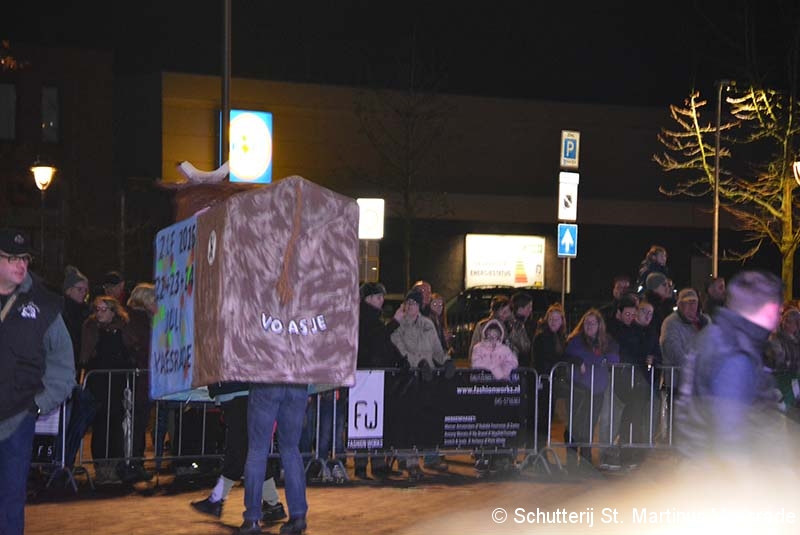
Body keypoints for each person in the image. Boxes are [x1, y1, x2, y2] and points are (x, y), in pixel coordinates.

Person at [0, 228, 76, 535]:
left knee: (10, 501)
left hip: (17, 419)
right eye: (12, 258)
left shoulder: (44, 305)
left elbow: (63, 366)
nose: (22, 265)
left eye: (25, 258)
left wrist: (36, 404)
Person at [675, 270, 784, 463]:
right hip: (719, 469)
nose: (780, 315)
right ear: (767, 309)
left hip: (701, 461)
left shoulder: (715, 335)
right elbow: (730, 432)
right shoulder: (735, 353)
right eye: (778, 309)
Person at [191, 384, 286, 524]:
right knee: (246, 451)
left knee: (239, 452)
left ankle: (217, 500)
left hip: (238, 392)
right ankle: (272, 503)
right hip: (240, 392)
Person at [240, 383, 309, 535]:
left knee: (257, 450)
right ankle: (298, 516)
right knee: (291, 449)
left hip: (267, 380)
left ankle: (252, 519)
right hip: (297, 381)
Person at [79, 295, 134, 483]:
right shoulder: (91, 328)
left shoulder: (122, 328)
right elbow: (86, 356)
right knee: (101, 425)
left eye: (104, 309)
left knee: (116, 424)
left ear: (113, 311)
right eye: (97, 309)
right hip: (98, 383)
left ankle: (116, 466)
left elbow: (130, 352)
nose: (100, 313)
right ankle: (102, 468)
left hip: (117, 383)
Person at [354, 282, 405, 479]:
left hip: (374, 374)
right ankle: (364, 464)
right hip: (365, 374)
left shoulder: (373, 317)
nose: (382, 300)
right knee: (364, 418)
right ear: (368, 299)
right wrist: (395, 322)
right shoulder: (364, 317)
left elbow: (384, 344)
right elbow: (378, 339)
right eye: (378, 297)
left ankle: (375, 463)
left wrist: (400, 360)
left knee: (373, 418)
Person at [562, 309, 620, 472]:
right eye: (586, 323)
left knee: (590, 425)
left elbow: (614, 358)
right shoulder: (576, 341)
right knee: (575, 425)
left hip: (597, 391)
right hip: (579, 390)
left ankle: (585, 459)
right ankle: (571, 459)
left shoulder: (606, 341)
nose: (589, 326)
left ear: (599, 325)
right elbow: (576, 354)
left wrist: (600, 359)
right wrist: (598, 360)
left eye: (593, 323)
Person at [120, 283, 158, 482]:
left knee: (138, 422)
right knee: (135, 422)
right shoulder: (137, 320)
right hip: (138, 379)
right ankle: (132, 463)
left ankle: (135, 461)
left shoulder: (141, 319)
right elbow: (141, 347)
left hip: (142, 379)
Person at [62, 265, 90, 381]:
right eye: (79, 289)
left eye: (85, 290)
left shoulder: (86, 311)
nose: (83, 293)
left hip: (79, 362)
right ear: (69, 290)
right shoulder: (60, 310)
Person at [507, 292, 535, 367]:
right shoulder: (514, 325)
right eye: (528, 307)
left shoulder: (527, 323)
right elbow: (524, 347)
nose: (530, 310)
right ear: (520, 308)